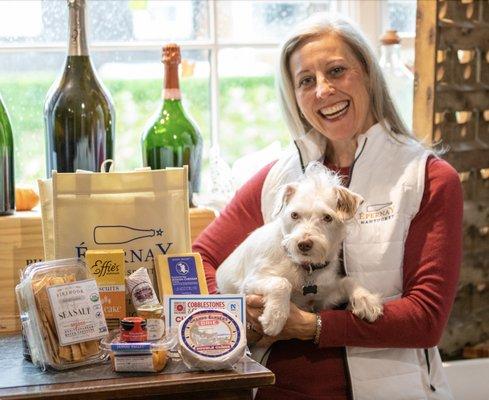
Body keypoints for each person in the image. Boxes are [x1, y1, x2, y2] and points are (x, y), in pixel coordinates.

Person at [193, 13, 462, 400]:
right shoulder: (276, 179)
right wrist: (244, 316)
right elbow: (200, 260)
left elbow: (426, 319)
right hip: (272, 390)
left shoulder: (428, 178)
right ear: (295, 96)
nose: (323, 90)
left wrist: (311, 326)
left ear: (368, 73)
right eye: (306, 81)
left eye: (336, 71)